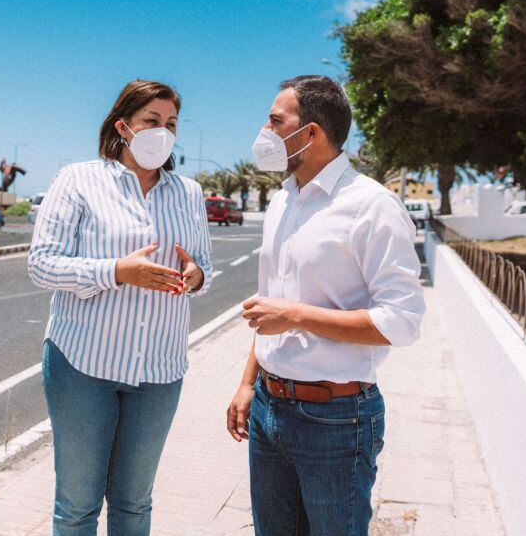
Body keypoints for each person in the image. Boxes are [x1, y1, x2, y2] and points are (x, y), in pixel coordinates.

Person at [226, 75, 425, 536]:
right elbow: (271, 312)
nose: (265, 131)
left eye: (275, 121)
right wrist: (246, 385)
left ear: (311, 132)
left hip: (336, 419)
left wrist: (295, 317)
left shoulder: (372, 206)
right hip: (267, 407)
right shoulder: (283, 201)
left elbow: (403, 321)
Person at [28, 79, 214, 536]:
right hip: (83, 366)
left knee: (134, 504)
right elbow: (42, 265)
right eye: (152, 121)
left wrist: (197, 278)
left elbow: (204, 266)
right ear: (123, 126)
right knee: (77, 505)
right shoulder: (78, 180)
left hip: (159, 372)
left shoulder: (188, 193)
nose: (163, 132)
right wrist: (115, 271)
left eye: (171, 123)